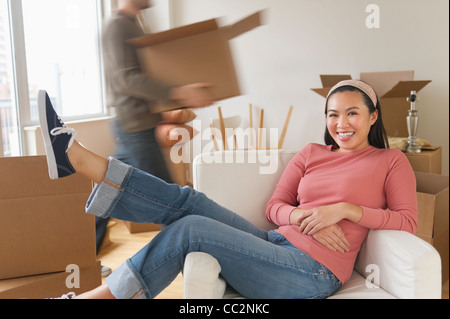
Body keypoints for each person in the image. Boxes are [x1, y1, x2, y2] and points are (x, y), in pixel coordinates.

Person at [37, 79, 417, 299]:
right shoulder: (312, 152)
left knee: (190, 230)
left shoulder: (390, 161)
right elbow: (275, 206)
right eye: (333, 114)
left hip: (313, 272)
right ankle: (84, 162)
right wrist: (298, 214)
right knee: (192, 202)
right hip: (277, 243)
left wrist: (347, 210)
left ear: (373, 116)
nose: (341, 123)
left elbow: (407, 221)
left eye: (352, 113)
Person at [99, 0, 213, 262]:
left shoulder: (133, 23)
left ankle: (79, 252)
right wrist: (177, 92)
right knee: (170, 199)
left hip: (140, 123)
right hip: (134, 126)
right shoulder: (116, 26)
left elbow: (151, 71)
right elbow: (125, 79)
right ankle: (196, 256)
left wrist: (179, 96)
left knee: (107, 189)